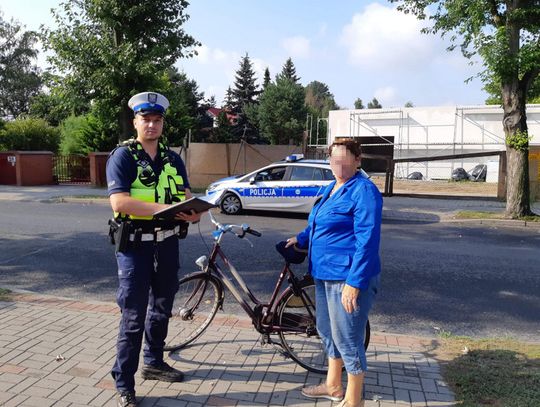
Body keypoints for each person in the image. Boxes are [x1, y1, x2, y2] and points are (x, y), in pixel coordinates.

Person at [106, 92, 202, 407]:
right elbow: (119, 202)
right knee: (134, 316)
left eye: (157, 120)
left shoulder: (173, 158)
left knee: (162, 307)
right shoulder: (122, 157)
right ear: (135, 122)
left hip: (169, 243)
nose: (151, 124)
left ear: (162, 123)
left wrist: (193, 211)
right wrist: (163, 208)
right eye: (145, 119)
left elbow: (186, 196)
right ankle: (124, 384)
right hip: (135, 248)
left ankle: (154, 361)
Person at [286, 138, 382, 407]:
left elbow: (368, 240)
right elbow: (320, 224)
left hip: (348, 277)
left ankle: (354, 400)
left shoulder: (364, 191)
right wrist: (301, 239)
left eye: (345, 159)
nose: (338, 164)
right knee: (327, 330)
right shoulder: (332, 187)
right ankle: (333, 384)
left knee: (348, 336)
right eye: (334, 159)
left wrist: (355, 282)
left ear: (357, 161)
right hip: (324, 272)